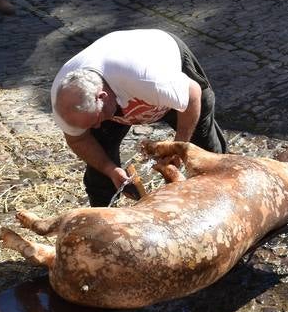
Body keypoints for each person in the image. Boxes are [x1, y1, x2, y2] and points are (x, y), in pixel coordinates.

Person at [51, 28, 227, 207]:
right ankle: (103, 217)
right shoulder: (65, 101)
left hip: (168, 75)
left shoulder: (149, 80)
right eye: (89, 123)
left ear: (102, 97)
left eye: (96, 120)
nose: (96, 127)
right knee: (100, 168)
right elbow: (79, 139)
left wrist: (179, 147)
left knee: (208, 156)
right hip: (119, 95)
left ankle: (222, 202)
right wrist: (110, 170)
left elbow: (192, 94)